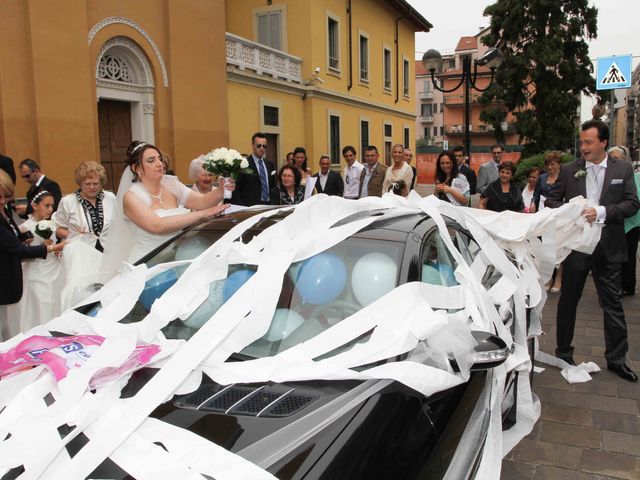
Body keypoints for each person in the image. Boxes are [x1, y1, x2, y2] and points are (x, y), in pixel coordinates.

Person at [547, 120, 639, 382]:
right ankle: (563, 353)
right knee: (569, 300)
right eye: (581, 142)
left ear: (603, 143)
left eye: (588, 142)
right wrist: (571, 211)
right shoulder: (569, 170)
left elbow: (632, 204)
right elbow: (553, 199)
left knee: (612, 303)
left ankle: (617, 359)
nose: (583, 147)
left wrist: (602, 212)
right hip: (578, 246)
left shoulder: (622, 168)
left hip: (609, 246)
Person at [121, 141, 229, 263]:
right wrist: (202, 214)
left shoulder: (171, 184)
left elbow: (202, 201)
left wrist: (222, 188)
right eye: (151, 161)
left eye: (159, 159)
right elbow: (157, 225)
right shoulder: (131, 197)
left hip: (176, 257)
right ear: (136, 168)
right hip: (147, 262)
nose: (159, 164)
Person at [0, 171, 65, 340]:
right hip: (23, 272)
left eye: (6, 197)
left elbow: (16, 240)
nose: (3, 201)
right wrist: (50, 248)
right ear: (34, 205)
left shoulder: (5, 214)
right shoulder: (25, 224)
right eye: (47, 206)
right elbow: (18, 250)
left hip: (50, 267)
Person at [608, 146, 639, 297]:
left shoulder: (635, 176)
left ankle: (628, 285)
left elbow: (635, 201)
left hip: (631, 222)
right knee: (614, 256)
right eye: (611, 158)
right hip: (613, 221)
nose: (614, 161)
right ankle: (615, 285)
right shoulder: (608, 175)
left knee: (629, 255)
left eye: (617, 158)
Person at [231, 132, 275, 206]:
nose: (262, 148)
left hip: (268, 205)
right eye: (259, 146)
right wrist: (242, 206)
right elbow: (237, 188)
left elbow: (272, 186)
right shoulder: (243, 164)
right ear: (253, 146)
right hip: (250, 206)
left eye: (264, 146)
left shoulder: (269, 164)